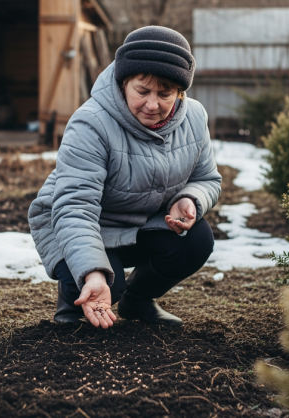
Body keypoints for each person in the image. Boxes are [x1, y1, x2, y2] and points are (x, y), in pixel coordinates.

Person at [28, 26, 221, 329]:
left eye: (165, 93)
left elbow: (208, 178)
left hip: (141, 223)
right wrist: (92, 272)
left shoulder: (194, 118)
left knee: (196, 240)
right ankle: (72, 297)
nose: (152, 104)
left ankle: (138, 300)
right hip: (78, 224)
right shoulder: (91, 123)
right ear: (123, 82)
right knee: (106, 285)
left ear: (180, 92)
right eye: (142, 91)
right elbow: (75, 207)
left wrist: (189, 199)